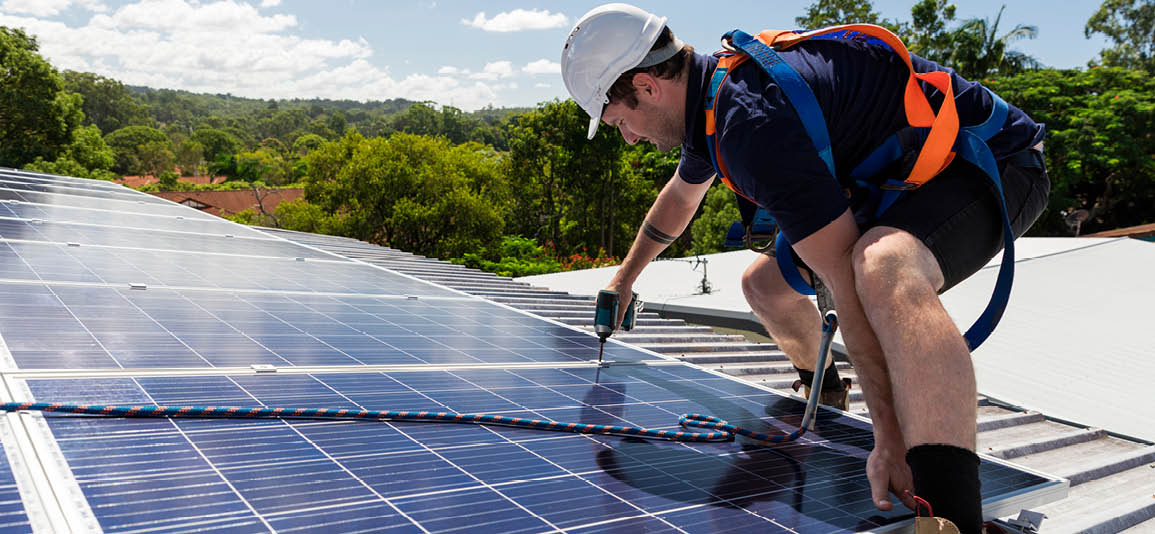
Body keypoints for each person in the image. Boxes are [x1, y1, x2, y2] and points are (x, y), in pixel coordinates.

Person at [560, 4, 1049, 533]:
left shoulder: (749, 122)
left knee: (882, 265)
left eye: (620, 121)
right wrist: (624, 278)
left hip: (992, 163)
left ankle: (954, 516)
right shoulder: (708, 103)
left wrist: (887, 438)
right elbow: (679, 199)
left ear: (646, 86)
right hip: (900, 182)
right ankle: (825, 389)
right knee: (764, 283)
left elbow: (844, 281)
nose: (629, 137)